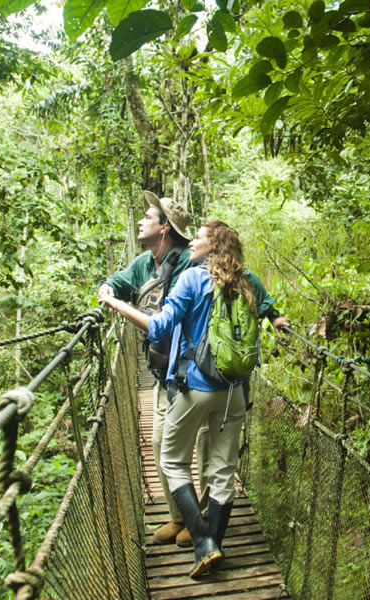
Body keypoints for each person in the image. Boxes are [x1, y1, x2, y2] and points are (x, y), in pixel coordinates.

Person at [100, 220, 290, 577]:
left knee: (171, 460)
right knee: (223, 471)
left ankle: (202, 541)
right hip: (235, 390)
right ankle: (214, 548)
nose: (192, 242)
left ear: (214, 246)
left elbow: (159, 327)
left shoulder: (192, 279)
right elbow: (267, 306)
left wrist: (115, 304)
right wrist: (277, 319)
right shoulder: (248, 279)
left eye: (199, 238)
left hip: (196, 387)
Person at [98, 190, 198, 546]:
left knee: (178, 447)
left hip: (192, 369)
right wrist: (108, 286)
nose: (140, 221)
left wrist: (115, 304)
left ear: (165, 227)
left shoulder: (187, 261)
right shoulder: (144, 263)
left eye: (147, 217)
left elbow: (170, 321)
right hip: (161, 370)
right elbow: (121, 281)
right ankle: (179, 517)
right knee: (159, 444)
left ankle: (198, 524)